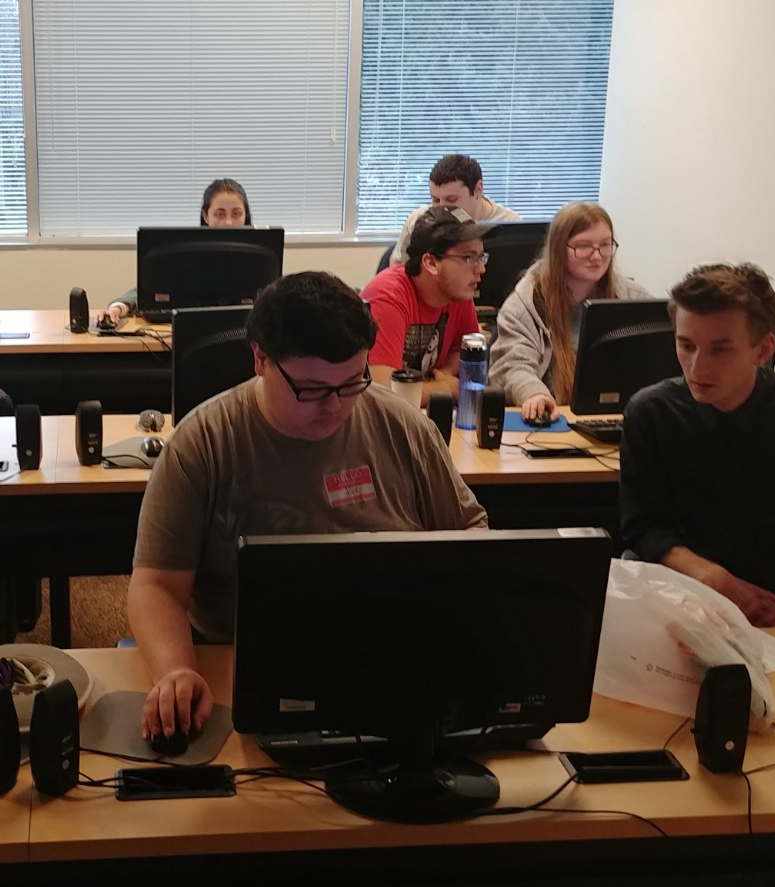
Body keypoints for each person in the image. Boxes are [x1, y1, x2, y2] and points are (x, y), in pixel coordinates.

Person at [127, 270, 488, 742]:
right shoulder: (202, 444)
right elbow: (155, 585)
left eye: (353, 382)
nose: (335, 406)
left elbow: (471, 537)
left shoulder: (403, 426)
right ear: (260, 359)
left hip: (399, 660)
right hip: (254, 666)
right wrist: (175, 670)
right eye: (313, 389)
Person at [619, 262, 775, 627]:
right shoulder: (651, 413)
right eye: (686, 345)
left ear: (763, 349)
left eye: (720, 350)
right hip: (699, 606)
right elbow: (643, 526)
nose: (697, 367)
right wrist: (711, 576)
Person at [488, 201, 650, 422]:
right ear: (559, 249)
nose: (597, 256)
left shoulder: (634, 299)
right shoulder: (526, 303)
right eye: (583, 246)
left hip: (617, 421)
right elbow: (511, 365)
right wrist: (534, 394)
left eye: (605, 244)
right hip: (553, 421)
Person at [361, 205, 490, 406]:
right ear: (430, 263)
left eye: (481, 257)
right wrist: (444, 389)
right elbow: (382, 390)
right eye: (469, 258)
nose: (481, 269)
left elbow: (463, 349)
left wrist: (445, 373)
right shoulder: (388, 296)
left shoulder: (458, 294)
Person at [97, 177, 252, 326]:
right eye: (220, 214)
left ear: (246, 216)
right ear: (206, 216)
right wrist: (118, 307)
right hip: (194, 333)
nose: (229, 222)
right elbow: (148, 291)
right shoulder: (189, 253)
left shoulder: (258, 257)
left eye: (236, 214)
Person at [389, 154, 519, 267]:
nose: (442, 209)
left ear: (478, 190)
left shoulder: (511, 224)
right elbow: (397, 269)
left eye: (451, 200)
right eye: (436, 200)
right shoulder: (419, 221)